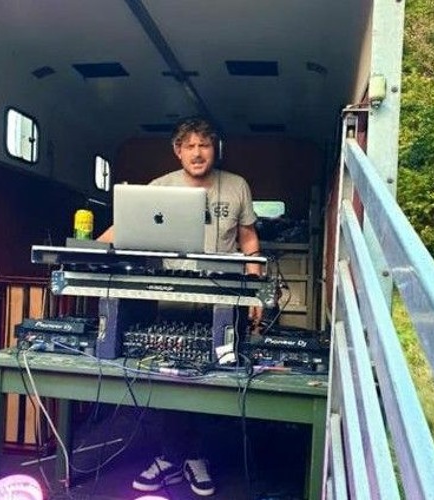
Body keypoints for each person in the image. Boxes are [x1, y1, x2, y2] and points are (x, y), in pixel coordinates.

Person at [98, 116, 261, 496]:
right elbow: (126, 228)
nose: (197, 153)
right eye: (189, 146)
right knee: (169, 375)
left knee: (214, 379)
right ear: (178, 151)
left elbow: (249, 240)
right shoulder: (160, 187)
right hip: (172, 299)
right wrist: (84, 248)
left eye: (204, 145)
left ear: (215, 148)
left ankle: (195, 458)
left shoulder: (237, 185)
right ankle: (173, 457)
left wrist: (255, 289)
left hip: (223, 300)